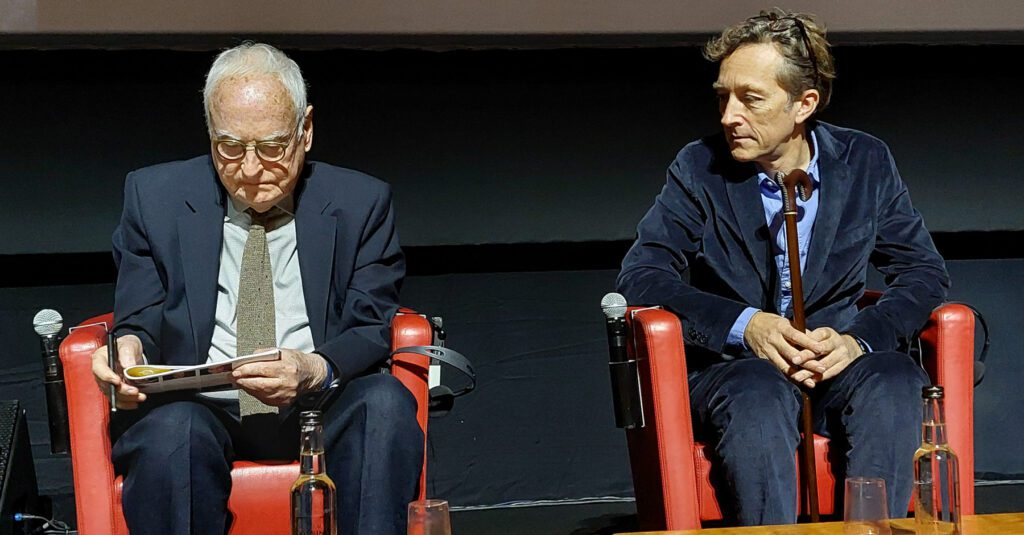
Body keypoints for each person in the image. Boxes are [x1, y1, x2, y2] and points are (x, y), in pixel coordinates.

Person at [617, 9, 949, 526]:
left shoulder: (864, 160)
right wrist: (746, 326)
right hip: (735, 371)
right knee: (759, 391)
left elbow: (923, 271)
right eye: (722, 96)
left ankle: (871, 530)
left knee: (894, 376)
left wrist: (857, 341)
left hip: (833, 360)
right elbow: (643, 274)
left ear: (803, 104)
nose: (729, 115)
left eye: (750, 99)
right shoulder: (698, 167)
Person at [90, 42, 422, 535]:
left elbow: (371, 323)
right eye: (230, 147)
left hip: (318, 401)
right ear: (210, 134)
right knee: (170, 432)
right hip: (201, 406)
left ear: (305, 131)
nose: (249, 170)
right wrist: (127, 349)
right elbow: (138, 317)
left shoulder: (361, 203)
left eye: (270, 148)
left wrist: (315, 368)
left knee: (385, 403)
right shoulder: (153, 197)